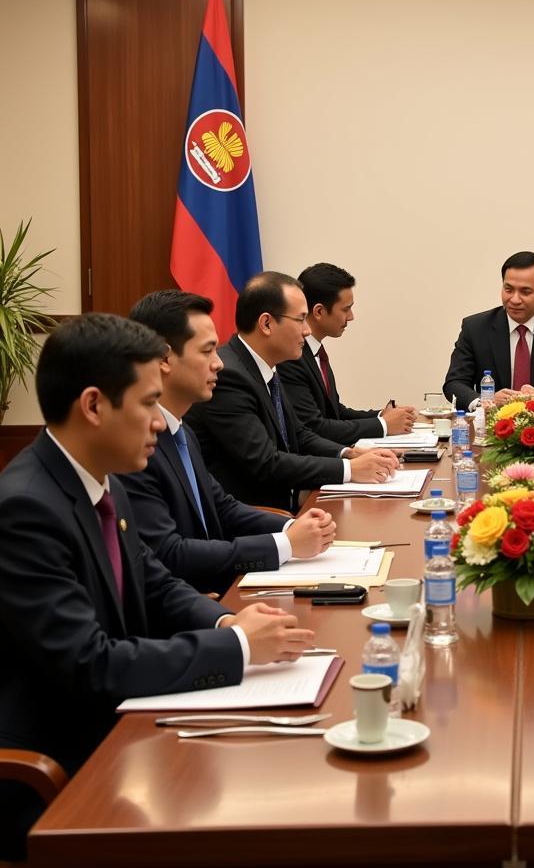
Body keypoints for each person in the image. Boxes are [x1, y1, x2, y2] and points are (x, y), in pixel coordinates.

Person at [0, 314, 313, 859]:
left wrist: (225, 622)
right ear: (94, 406)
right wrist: (236, 649)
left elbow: (154, 579)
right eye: (147, 403)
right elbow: (89, 663)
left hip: (128, 725)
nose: (158, 422)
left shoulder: (100, 478)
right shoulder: (26, 508)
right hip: (66, 765)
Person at [122, 290, 337, 595]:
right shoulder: (135, 447)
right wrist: (285, 545)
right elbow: (171, 552)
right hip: (194, 600)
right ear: (165, 359)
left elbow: (222, 507)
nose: (219, 364)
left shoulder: (182, 432)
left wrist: (292, 529)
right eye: (207, 351)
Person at [186, 272, 398, 511]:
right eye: (300, 320)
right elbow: (266, 462)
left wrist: (348, 454)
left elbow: (300, 434)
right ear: (266, 324)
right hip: (253, 517)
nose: (307, 331)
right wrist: (349, 470)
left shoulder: (266, 368)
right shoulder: (229, 376)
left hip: (290, 503)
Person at [278, 263, 417, 445]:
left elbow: (336, 413)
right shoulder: (292, 357)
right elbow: (314, 427)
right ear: (319, 311)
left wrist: (381, 415)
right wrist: (383, 425)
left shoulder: (315, 352)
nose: (351, 316)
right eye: (345, 309)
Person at [442, 251, 534, 409]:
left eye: (525, 292)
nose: (514, 299)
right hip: (492, 426)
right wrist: (485, 402)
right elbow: (455, 383)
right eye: (508, 289)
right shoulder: (475, 328)